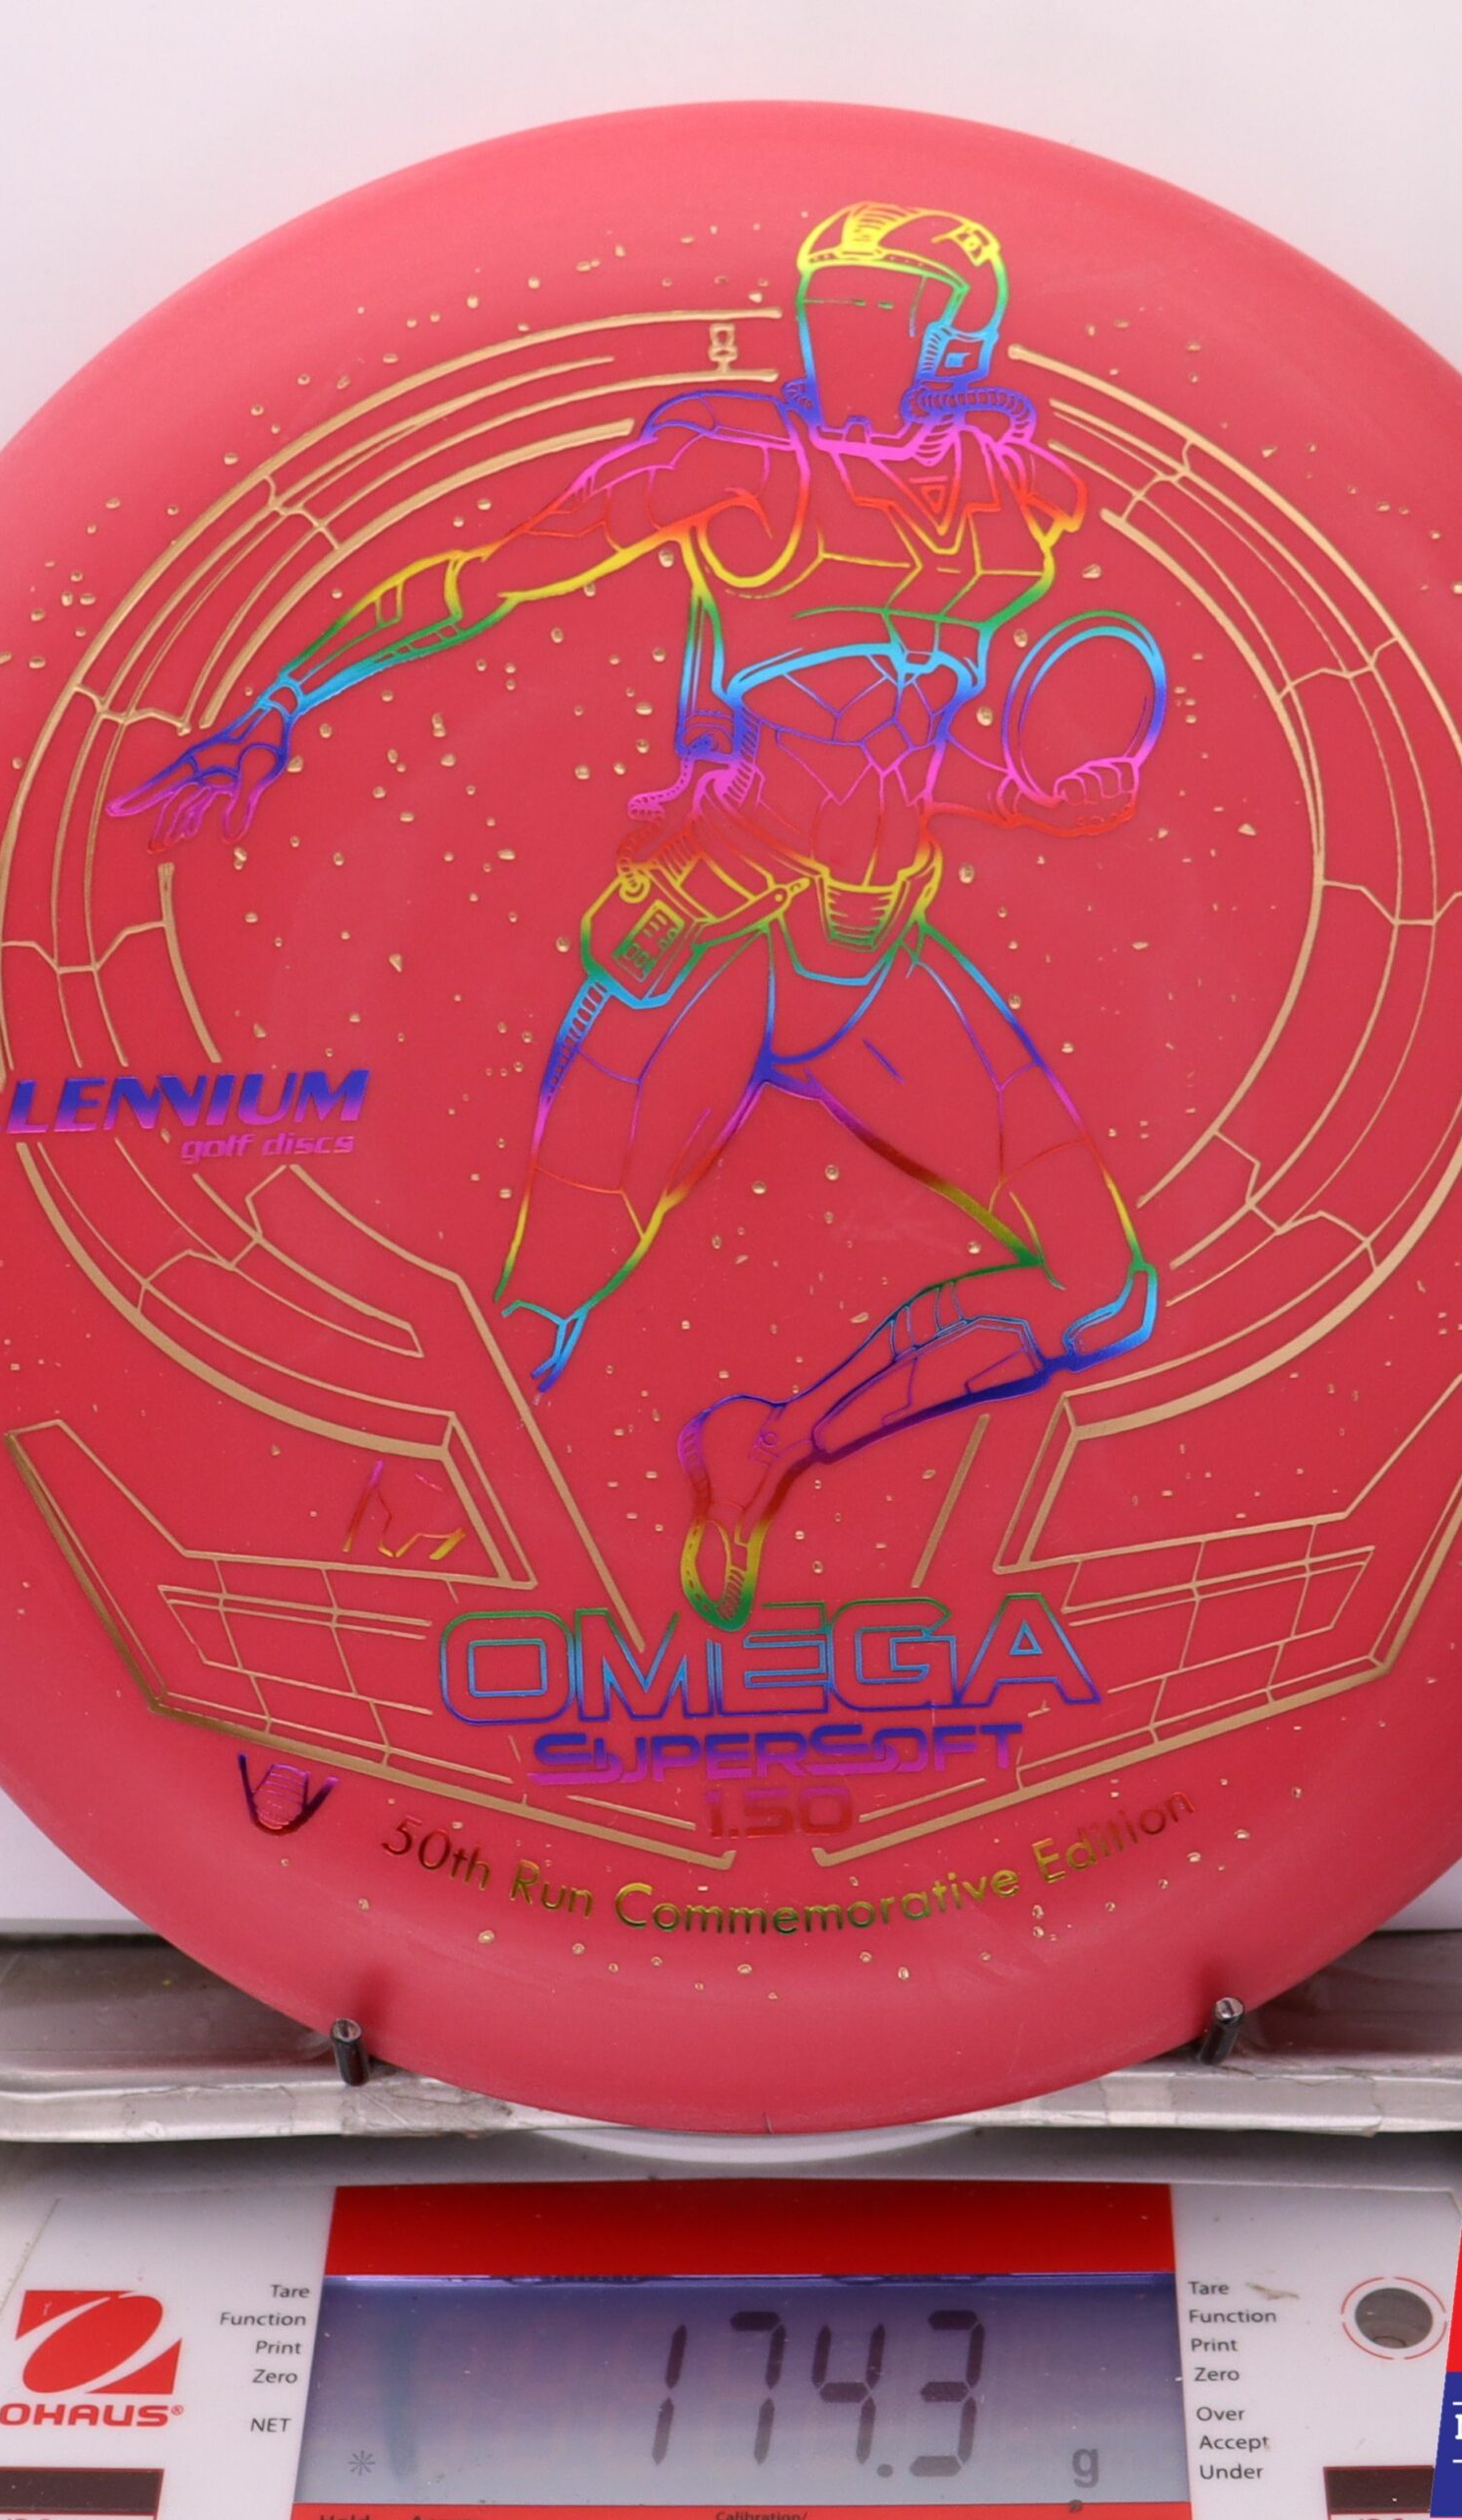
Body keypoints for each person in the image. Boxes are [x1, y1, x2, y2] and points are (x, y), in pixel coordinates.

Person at [112, 202, 1168, 1628]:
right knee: (540, 1309)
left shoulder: (1000, 489)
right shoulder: (736, 469)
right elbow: (489, 579)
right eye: (832, 298)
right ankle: (357, 1579)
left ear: (951, 334)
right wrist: (285, 700)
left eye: (882, 303)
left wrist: (1053, 807)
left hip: (872, 953)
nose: (840, 327)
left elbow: (916, 747)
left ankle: (776, 1446)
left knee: (1103, 1293)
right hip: (711, 936)